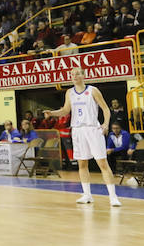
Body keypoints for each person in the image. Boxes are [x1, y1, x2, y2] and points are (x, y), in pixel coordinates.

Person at [43, 67, 121, 207]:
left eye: (77, 73)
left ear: (84, 76)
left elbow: (105, 108)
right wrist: (52, 113)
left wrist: (105, 124)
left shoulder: (93, 90)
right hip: (77, 130)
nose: (74, 76)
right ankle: (87, 195)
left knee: (102, 163)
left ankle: (113, 196)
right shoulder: (69, 92)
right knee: (82, 164)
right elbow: (65, 110)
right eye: (72, 74)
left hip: (92, 129)